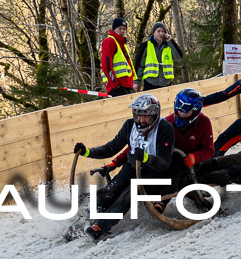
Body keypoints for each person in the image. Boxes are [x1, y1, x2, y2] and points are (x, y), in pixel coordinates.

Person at [72, 94, 174, 239]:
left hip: (154, 173)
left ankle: (101, 225)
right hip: (131, 167)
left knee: (128, 194)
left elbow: (164, 163)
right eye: (137, 116)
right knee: (111, 189)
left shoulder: (165, 129)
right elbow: (111, 147)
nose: (140, 120)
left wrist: (146, 158)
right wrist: (88, 152)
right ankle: (83, 220)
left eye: (144, 116)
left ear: (154, 114)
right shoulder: (129, 125)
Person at [98, 88, 214, 213]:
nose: (181, 114)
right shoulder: (167, 123)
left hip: (187, 164)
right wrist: (116, 162)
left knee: (175, 171)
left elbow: (209, 150)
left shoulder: (204, 123)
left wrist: (195, 157)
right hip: (164, 162)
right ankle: (103, 206)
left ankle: (161, 202)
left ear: (195, 111)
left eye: (185, 112)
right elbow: (138, 146)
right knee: (127, 178)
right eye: (178, 110)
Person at [133, 22, 183, 92]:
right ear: (153, 33)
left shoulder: (169, 46)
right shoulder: (145, 46)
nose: (161, 33)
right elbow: (139, 65)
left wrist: (171, 41)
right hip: (150, 83)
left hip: (166, 84)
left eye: (163, 31)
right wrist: (136, 81)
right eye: (158, 31)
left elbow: (179, 57)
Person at [101, 17, 137, 97]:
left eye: (124, 29)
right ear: (114, 29)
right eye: (120, 28)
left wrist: (133, 82)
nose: (122, 31)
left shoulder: (122, 44)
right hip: (116, 87)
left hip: (125, 85)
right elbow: (106, 65)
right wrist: (114, 84)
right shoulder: (109, 41)